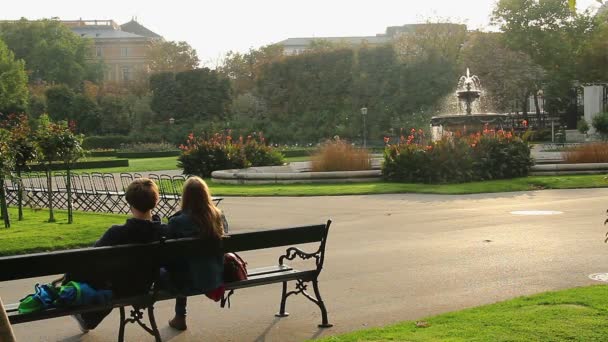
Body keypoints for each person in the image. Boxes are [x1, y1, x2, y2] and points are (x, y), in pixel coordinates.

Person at [72, 178, 164, 332]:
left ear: (130, 202)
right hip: (146, 286)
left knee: (91, 272)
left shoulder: (116, 232)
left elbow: (90, 257)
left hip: (117, 287)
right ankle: (89, 319)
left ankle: (88, 318)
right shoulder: (164, 231)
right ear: (155, 201)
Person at [163, 176, 224, 331]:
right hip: (215, 276)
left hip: (187, 282)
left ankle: (180, 316)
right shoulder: (218, 216)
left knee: (177, 266)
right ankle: (179, 317)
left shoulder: (177, 222)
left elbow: (168, 254)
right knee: (189, 262)